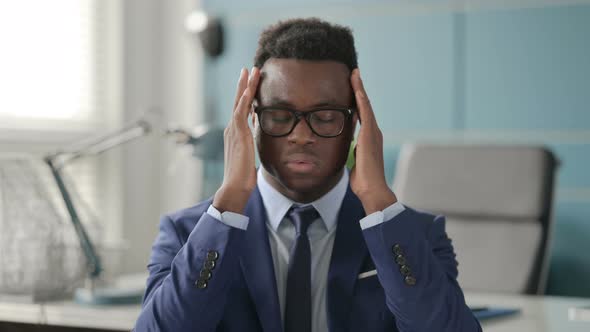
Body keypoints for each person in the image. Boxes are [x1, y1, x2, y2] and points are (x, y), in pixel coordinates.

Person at [134, 18, 482, 332]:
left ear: (355, 123)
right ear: (250, 121)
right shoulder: (186, 233)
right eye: (280, 115)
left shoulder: (416, 235)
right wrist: (229, 203)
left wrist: (377, 200)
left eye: (326, 116)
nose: (302, 135)